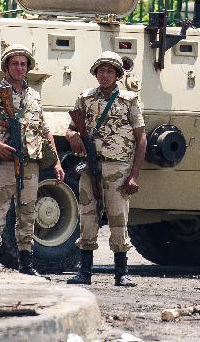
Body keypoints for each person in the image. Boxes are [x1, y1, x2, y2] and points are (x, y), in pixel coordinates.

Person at [0, 44, 64, 276]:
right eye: (14, 64)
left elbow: (44, 130)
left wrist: (57, 162)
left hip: (29, 163)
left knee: (28, 214)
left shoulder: (33, 96)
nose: (19, 68)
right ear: (6, 67)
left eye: (23, 64)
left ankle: (26, 264)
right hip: (3, 163)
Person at [65, 51, 147, 286]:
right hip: (90, 166)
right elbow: (71, 128)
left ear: (117, 74)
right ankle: (85, 272)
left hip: (117, 167)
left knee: (118, 218)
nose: (105, 74)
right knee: (87, 217)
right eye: (101, 70)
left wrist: (134, 175)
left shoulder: (129, 100)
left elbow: (141, 138)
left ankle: (121, 272)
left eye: (110, 71)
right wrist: (72, 137)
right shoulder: (85, 98)